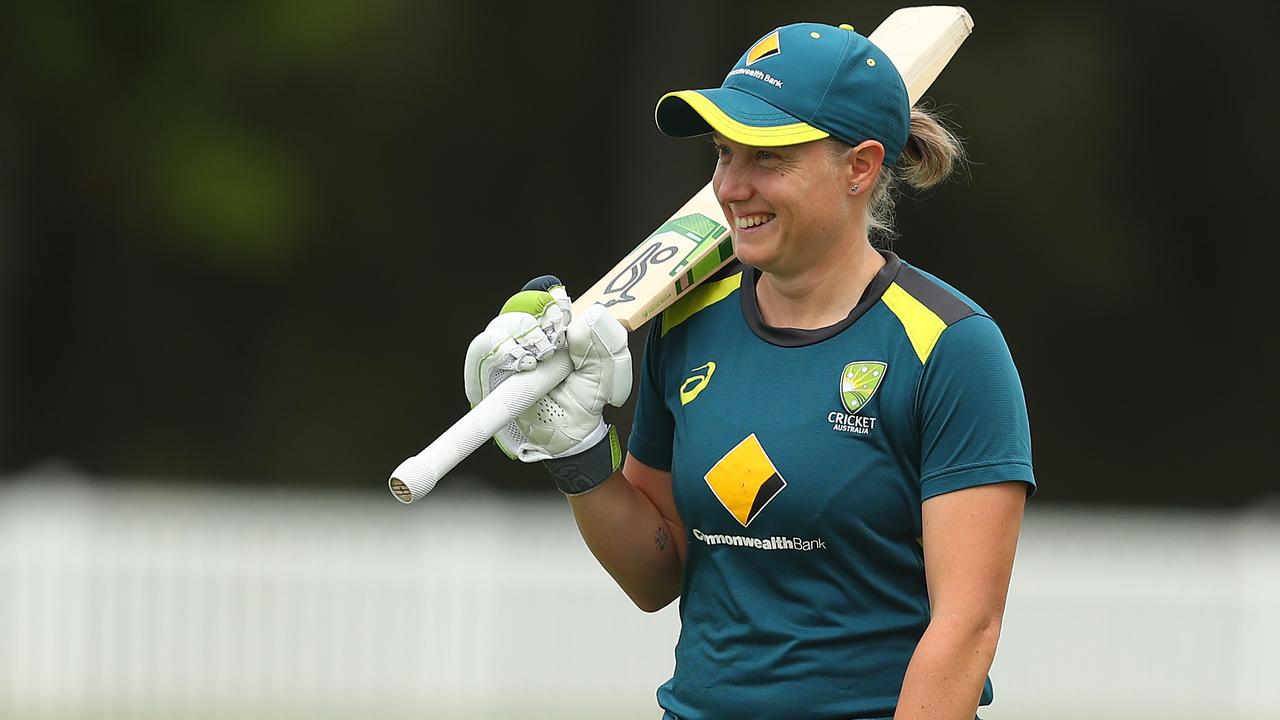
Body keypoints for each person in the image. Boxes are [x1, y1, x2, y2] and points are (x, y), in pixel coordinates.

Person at [463, 21, 1034, 720]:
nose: (730, 187)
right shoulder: (688, 323)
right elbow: (656, 572)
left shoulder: (948, 347)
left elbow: (967, 627)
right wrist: (578, 454)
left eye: (766, 158)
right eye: (723, 153)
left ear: (859, 167)